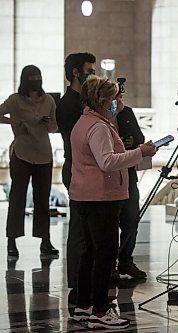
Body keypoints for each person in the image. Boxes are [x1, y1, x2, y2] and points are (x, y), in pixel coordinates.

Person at [69, 75, 156, 329]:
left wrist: (138, 154)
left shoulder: (83, 121)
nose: (117, 102)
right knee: (105, 254)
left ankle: (83, 306)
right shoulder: (98, 126)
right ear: (103, 100)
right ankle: (100, 310)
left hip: (84, 195)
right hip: (101, 197)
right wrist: (140, 152)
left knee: (89, 253)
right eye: (114, 98)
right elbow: (106, 161)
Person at [0, 65, 59, 257]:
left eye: (38, 76)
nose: (36, 80)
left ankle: (45, 240)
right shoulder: (15, 100)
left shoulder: (48, 100)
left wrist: (47, 123)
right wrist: (14, 122)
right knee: (18, 198)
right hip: (22, 153)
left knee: (42, 199)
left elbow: (54, 127)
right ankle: (12, 240)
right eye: (32, 77)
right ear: (25, 79)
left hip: (43, 154)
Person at [56, 52, 96, 304]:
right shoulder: (68, 103)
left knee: (93, 232)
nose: (92, 73)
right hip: (77, 168)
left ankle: (91, 282)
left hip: (88, 168)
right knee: (80, 231)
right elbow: (79, 138)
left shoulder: (84, 101)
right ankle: (77, 286)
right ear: (75, 73)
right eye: (89, 70)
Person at [113, 91, 147, 279]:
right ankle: (109, 265)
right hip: (109, 177)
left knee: (131, 219)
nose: (118, 102)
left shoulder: (127, 113)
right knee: (110, 224)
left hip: (129, 174)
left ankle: (126, 260)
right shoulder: (100, 118)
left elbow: (139, 137)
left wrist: (133, 142)